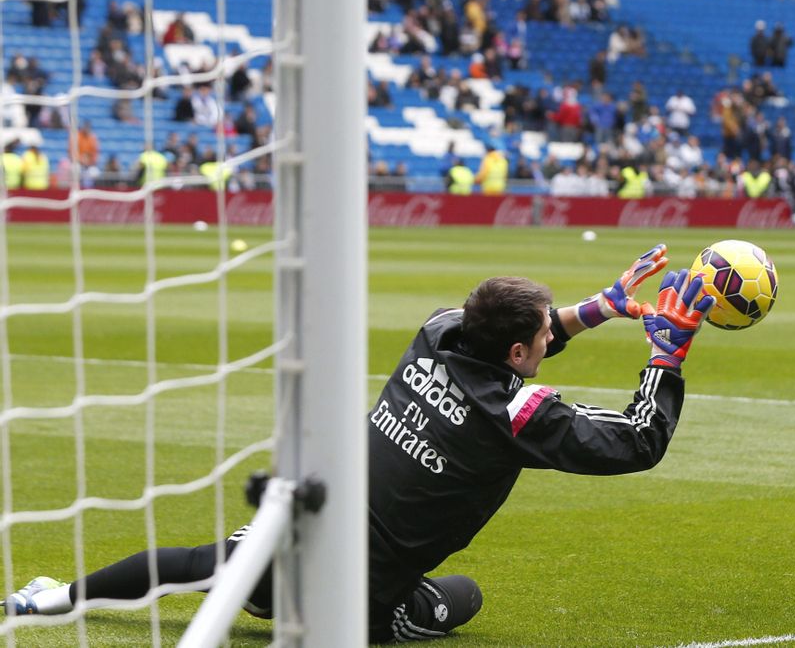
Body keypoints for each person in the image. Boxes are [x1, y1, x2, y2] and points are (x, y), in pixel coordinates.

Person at [2, 246, 716, 644]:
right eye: (541, 335)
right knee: (458, 601)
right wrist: (668, 353)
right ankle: (402, 609)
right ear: (521, 349)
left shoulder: (439, 329)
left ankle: (54, 595)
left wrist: (600, 307)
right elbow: (637, 441)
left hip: (287, 544)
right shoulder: (520, 411)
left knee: (203, 562)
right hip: (351, 604)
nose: (548, 338)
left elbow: (516, 340)